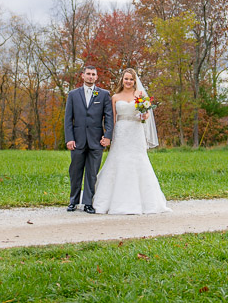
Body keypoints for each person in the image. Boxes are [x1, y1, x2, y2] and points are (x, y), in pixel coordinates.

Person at [92, 68, 171, 214]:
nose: (128, 81)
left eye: (131, 79)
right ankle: (108, 201)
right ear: (122, 80)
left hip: (136, 132)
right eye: (126, 78)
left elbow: (146, 114)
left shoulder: (140, 95)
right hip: (121, 132)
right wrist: (109, 136)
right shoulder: (115, 97)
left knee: (139, 161)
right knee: (118, 161)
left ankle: (145, 201)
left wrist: (143, 116)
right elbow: (112, 119)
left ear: (135, 81)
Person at [64, 65, 114, 213]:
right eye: (88, 74)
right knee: (75, 172)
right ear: (82, 76)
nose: (91, 76)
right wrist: (69, 138)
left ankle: (87, 203)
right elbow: (68, 119)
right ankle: (73, 201)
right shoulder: (73, 95)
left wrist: (108, 136)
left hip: (96, 140)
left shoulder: (104, 94)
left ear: (96, 77)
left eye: (93, 74)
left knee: (92, 173)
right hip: (77, 140)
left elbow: (109, 117)